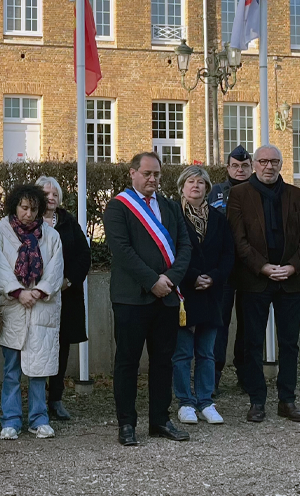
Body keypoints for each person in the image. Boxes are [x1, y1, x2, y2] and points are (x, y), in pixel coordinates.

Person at [104, 152, 192, 445]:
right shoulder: (118, 207)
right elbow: (122, 250)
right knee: (127, 362)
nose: (152, 179)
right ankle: (127, 424)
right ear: (132, 173)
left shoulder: (170, 207)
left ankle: (160, 420)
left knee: (163, 361)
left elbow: (184, 246)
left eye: (157, 174)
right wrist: (152, 280)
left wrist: (170, 279)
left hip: (166, 297)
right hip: (131, 299)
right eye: (147, 173)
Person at [226, 145, 300, 424]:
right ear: (254, 164)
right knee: (252, 343)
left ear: (281, 164)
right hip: (254, 280)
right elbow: (238, 240)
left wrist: (293, 266)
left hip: (291, 279)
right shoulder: (238, 195)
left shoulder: (297, 195)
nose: (268, 166)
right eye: (263, 161)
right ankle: (257, 400)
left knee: (289, 344)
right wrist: (262, 267)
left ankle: (287, 400)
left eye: (274, 161)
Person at [0, 184, 65, 440]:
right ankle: (10, 420)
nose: (29, 214)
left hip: (42, 309)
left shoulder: (51, 235)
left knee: (39, 368)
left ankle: (39, 418)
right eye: (24, 208)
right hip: (13, 309)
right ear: (15, 206)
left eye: (34, 209)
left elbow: (56, 268)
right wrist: (18, 292)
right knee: (12, 369)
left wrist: (39, 291)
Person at [173, 166, 234, 426]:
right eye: (190, 181)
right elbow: (170, 252)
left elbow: (228, 255)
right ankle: (185, 402)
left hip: (211, 293)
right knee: (183, 353)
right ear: (182, 187)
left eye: (200, 182)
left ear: (208, 188)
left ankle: (206, 401)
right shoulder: (173, 217)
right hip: (185, 292)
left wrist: (213, 277)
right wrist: (192, 276)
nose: (195, 186)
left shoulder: (220, 219)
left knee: (207, 353)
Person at [35, 176, 91, 421]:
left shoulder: (68, 222)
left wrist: (68, 281)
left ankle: (55, 399)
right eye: (46, 193)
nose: (51, 197)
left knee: (61, 348)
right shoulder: (29, 221)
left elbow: (83, 255)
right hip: (35, 297)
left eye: (55, 194)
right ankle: (35, 402)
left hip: (65, 296)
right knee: (36, 349)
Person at [210, 145, 253, 393]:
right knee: (219, 324)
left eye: (244, 166)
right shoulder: (216, 192)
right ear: (227, 168)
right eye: (235, 166)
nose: (240, 170)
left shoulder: (258, 191)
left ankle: (245, 374)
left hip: (249, 269)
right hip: (223, 269)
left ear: (251, 168)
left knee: (248, 325)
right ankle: (213, 377)